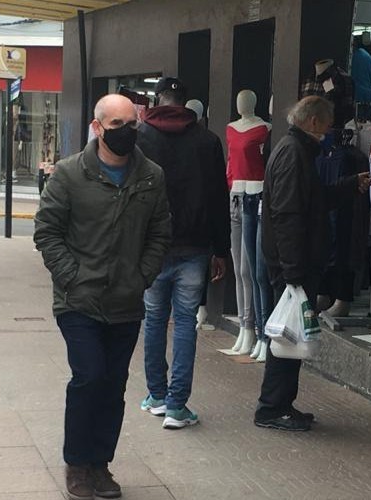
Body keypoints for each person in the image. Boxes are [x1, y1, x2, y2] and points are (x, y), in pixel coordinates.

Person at [33, 94, 171, 500]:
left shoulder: (151, 176)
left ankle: (100, 465)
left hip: (126, 301)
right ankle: (77, 463)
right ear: (97, 128)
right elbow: (47, 232)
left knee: (113, 384)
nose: (127, 132)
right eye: (117, 125)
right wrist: (71, 277)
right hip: (79, 300)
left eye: (133, 123)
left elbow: (161, 232)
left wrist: (143, 276)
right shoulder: (70, 174)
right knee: (89, 376)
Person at [255, 96, 370, 432]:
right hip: (293, 264)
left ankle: (280, 404)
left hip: (294, 261)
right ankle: (272, 407)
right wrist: (292, 271)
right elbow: (289, 214)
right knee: (287, 336)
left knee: (289, 335)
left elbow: (312, 202)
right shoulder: (293, 153)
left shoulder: (295, 150)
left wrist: (349, 187)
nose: (331, 131)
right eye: (329, 123)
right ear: (316, 122)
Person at [135, 77, 229, 429]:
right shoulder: (207, 141)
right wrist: (221, 249)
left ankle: (156, 395)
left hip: (153, 246)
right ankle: (176, 405)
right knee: (186, 322)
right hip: (195, 245)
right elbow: (219, 198)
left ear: (158, 99)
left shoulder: (141, 139)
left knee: (155, 319)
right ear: (187, 103)